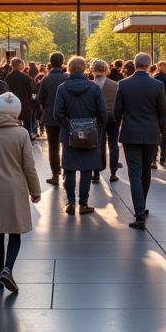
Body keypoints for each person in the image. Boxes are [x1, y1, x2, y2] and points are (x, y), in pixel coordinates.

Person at [0, 92, 42, 293]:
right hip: (15, 189)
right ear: (16, 112)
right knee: (15, 232)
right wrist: (35, 190)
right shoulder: (21, 134)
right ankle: (8, 269)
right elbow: (29, 166)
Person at [114, 52, 166, 228]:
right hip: (151, 133)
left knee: (135, 173)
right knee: (146, 171)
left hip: (130, 133)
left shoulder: (124, 84)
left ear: (135, 65)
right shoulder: (157, 85)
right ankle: (141, 206)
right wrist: (161, 132)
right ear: (149, 65)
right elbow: (163, 113)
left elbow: (117, 111)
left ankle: (139, 213)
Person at [52, 55, 107, 214]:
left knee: (69, 168)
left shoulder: (62, 88)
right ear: (85, 69)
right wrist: (95, 127)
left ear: (68, 68)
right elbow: (102, 112)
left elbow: (57, 113)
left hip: (70, 134)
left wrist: (70, 125)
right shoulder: (94, 88)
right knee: (86, 169)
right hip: (90, 134)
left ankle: (70, 202)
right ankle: (83, 203)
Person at [37, 52, 68, 186]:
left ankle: (55, 174)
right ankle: (67, 171)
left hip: (50, 116)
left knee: (53, 147)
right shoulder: (67, 78)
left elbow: (40, 98)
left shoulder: (45, 79)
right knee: (66, 144)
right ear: (62, 62)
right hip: (66, 116)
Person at [91, 58, 121, 182]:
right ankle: (113, 172)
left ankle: (97, 172)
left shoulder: (90, 85)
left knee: (98, 144)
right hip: (113, 117)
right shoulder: (115, 85)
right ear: (106, 70)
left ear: (93, 70)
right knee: (113, 144)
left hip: (97, 119)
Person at [5, 57, 35, 138]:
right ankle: (27, 137)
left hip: (12, 104)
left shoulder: (8, 77)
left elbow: (6, 92)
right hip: (24, 104)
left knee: (12, 123)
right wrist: (30, 102)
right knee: (27, 123)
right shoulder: (25, 77)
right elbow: (30, 92)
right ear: (20, 65)